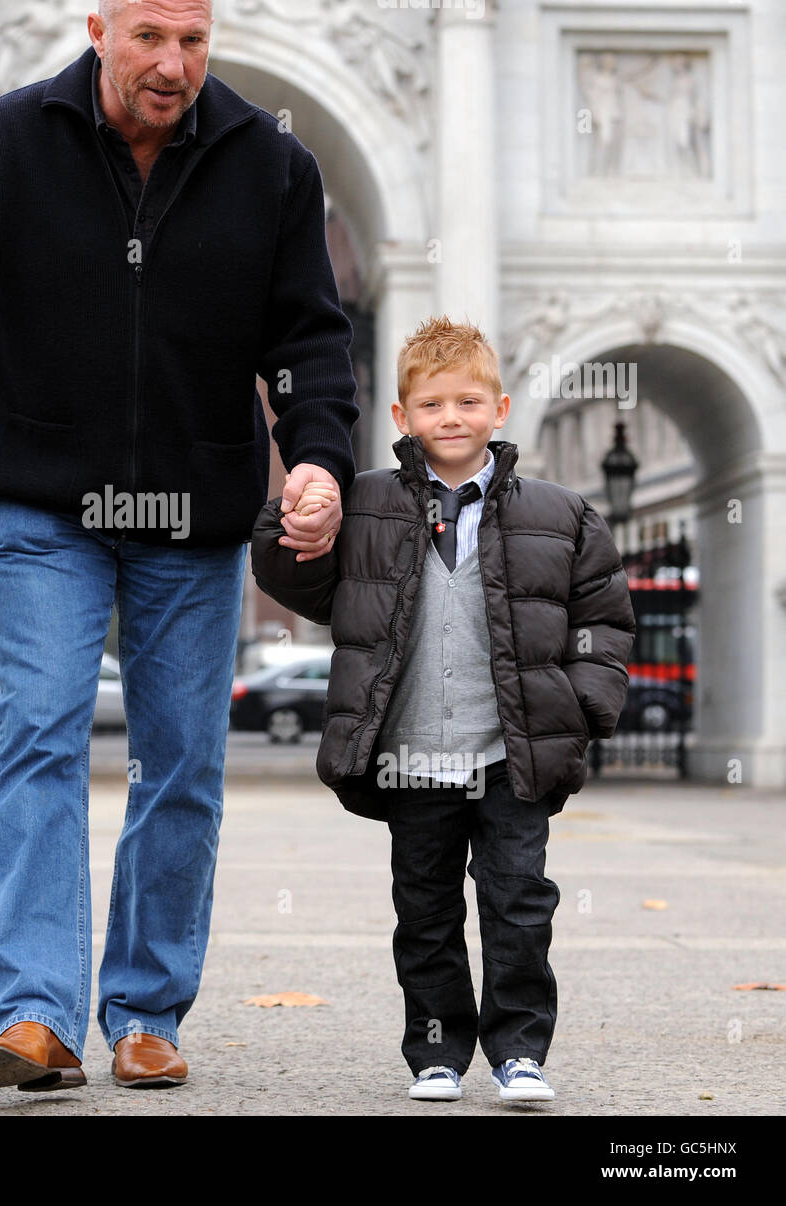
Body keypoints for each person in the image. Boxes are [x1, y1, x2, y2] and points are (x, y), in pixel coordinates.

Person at [0, 0, 358, 1091]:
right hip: (42, 505)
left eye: (192, 38)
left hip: (197, 514)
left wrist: (317, 458)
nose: (172, 61)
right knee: (38, 734)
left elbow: (309, 341)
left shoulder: (271, 163)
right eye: (148, 36)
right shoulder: (1, 142)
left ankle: (143, 1010)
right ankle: (33, 1014)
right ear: (98, 32)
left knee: (180, 761)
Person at [251, 315, 636, 1103]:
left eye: (467, 402)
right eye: (431, 405)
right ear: (401, 418)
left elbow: (603, 617)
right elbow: (297, 579)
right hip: (410, 755)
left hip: (511, 754)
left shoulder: (562, 515)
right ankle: (436, 1053)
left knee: (518, 903)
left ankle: (520, 1052)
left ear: (499, 408)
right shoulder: (362, 506)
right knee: (423, 911)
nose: (450, 418)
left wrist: (585, 707)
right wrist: (295, 520)